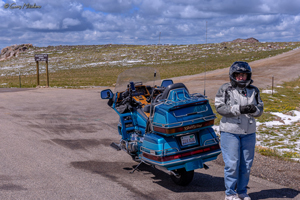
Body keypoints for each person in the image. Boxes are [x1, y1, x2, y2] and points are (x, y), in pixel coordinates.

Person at [215, 61, 264, 200]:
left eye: (244, 75)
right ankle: (230, 194)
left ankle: (242, 191)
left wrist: (254, 110)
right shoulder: (225, 89)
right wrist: (239, 109)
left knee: (246, 164)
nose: (241, 78)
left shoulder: (254, 90)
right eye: (238, 75)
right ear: (233, 75)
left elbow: (260, 109)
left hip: (249, 133)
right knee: (232, 164)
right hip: (230, 132)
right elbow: (220, 108)